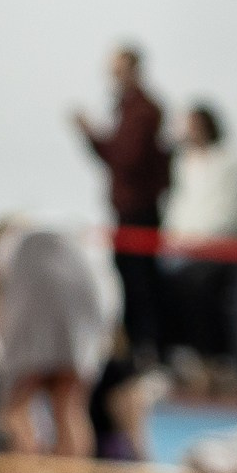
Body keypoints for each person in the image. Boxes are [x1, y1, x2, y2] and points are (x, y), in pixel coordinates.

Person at [0, 221, 105, 473]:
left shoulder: (0, 254)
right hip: (82, 284)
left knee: (16, 409)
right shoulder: (62, 243)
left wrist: (13, 359)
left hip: (38, 278)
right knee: (70, 407)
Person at [73, 45, 169, 364]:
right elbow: (115, 158)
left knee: (142, 281)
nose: (113, 78)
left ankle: (149, 348)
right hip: (125, 209)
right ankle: (135, 346)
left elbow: (126, 159)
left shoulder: (144, 111)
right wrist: (91, 137)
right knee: (127, 278)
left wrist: (95, 136)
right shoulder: (127, 109)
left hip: (140, 210)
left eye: (118, 70)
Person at [164, 102, 237, 394]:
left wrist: (209, 240)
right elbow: (180, 204)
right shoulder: (182, 162)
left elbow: (231, 209)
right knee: (174, 290)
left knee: (205, 292)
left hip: (220, 248)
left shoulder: (229, 162)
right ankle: (191, 361)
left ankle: (219, 363)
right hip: (184, 248)